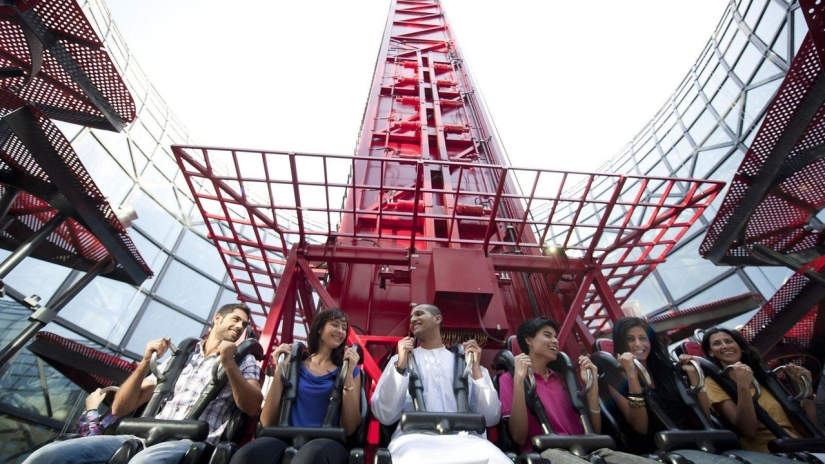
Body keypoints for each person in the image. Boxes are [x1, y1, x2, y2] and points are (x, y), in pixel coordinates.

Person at [24, 303, 263, 464]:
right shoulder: (181, 357)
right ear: (217, 318)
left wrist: (228, 363)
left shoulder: (244, 361)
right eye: (236, 319)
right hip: (143, 435)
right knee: (48, 456)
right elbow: (121, 407)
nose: (240, 326)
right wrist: (145, 361)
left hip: (190, 441)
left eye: (244, 324)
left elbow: (252, 406)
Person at [610, 317, 793, 464]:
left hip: (699, 442)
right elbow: (640, 427)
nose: (638, 344)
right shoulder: (614, 377)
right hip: (665, 448)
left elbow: (703, 416)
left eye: (643, 338)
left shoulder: (666, 371)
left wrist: (695, 379)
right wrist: (632, 376)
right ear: (621, 343)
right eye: (630, 339)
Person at [499, 317, 654, 464]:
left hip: (587, 450)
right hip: (546, 452)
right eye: (548, 335)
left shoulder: (565, 379)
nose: (555, 341)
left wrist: (592, 387)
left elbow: (594, 432)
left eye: (555, 337)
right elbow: (519, 437)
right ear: (529, 340)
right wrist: (519, 379)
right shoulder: (509, 379)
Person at [371, 304, 511, 464]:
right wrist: (400, 367)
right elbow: (385, 415)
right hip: (414, 442)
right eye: (411, 317)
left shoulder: (467, 363)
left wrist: (476, 370)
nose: (413, 320)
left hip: (468, 441)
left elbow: (491, 417)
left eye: (419, 314)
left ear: (437, 319)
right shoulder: (398, 361)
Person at [230, 308, 361, 464]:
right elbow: (267, 421)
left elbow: (350, 427)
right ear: (319, 328)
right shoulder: (293, 366)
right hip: (286, 437)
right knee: (247, 455)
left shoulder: (350, 370)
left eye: (344, 328)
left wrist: (348, 375)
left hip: (327, 442)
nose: (340, 331)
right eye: (335, 324)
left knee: (310, 456)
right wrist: (280, 371)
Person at [701, 327, 818, 454]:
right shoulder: (713, 383)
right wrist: (743, 387)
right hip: (767, 452)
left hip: (799, 447)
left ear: (740, 347)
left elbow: (808, 429)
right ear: (711, 352)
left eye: (729, 341)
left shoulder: (764, 377)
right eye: (717, 343)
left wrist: (806, 388)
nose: (724, 346)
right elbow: (748, 430)